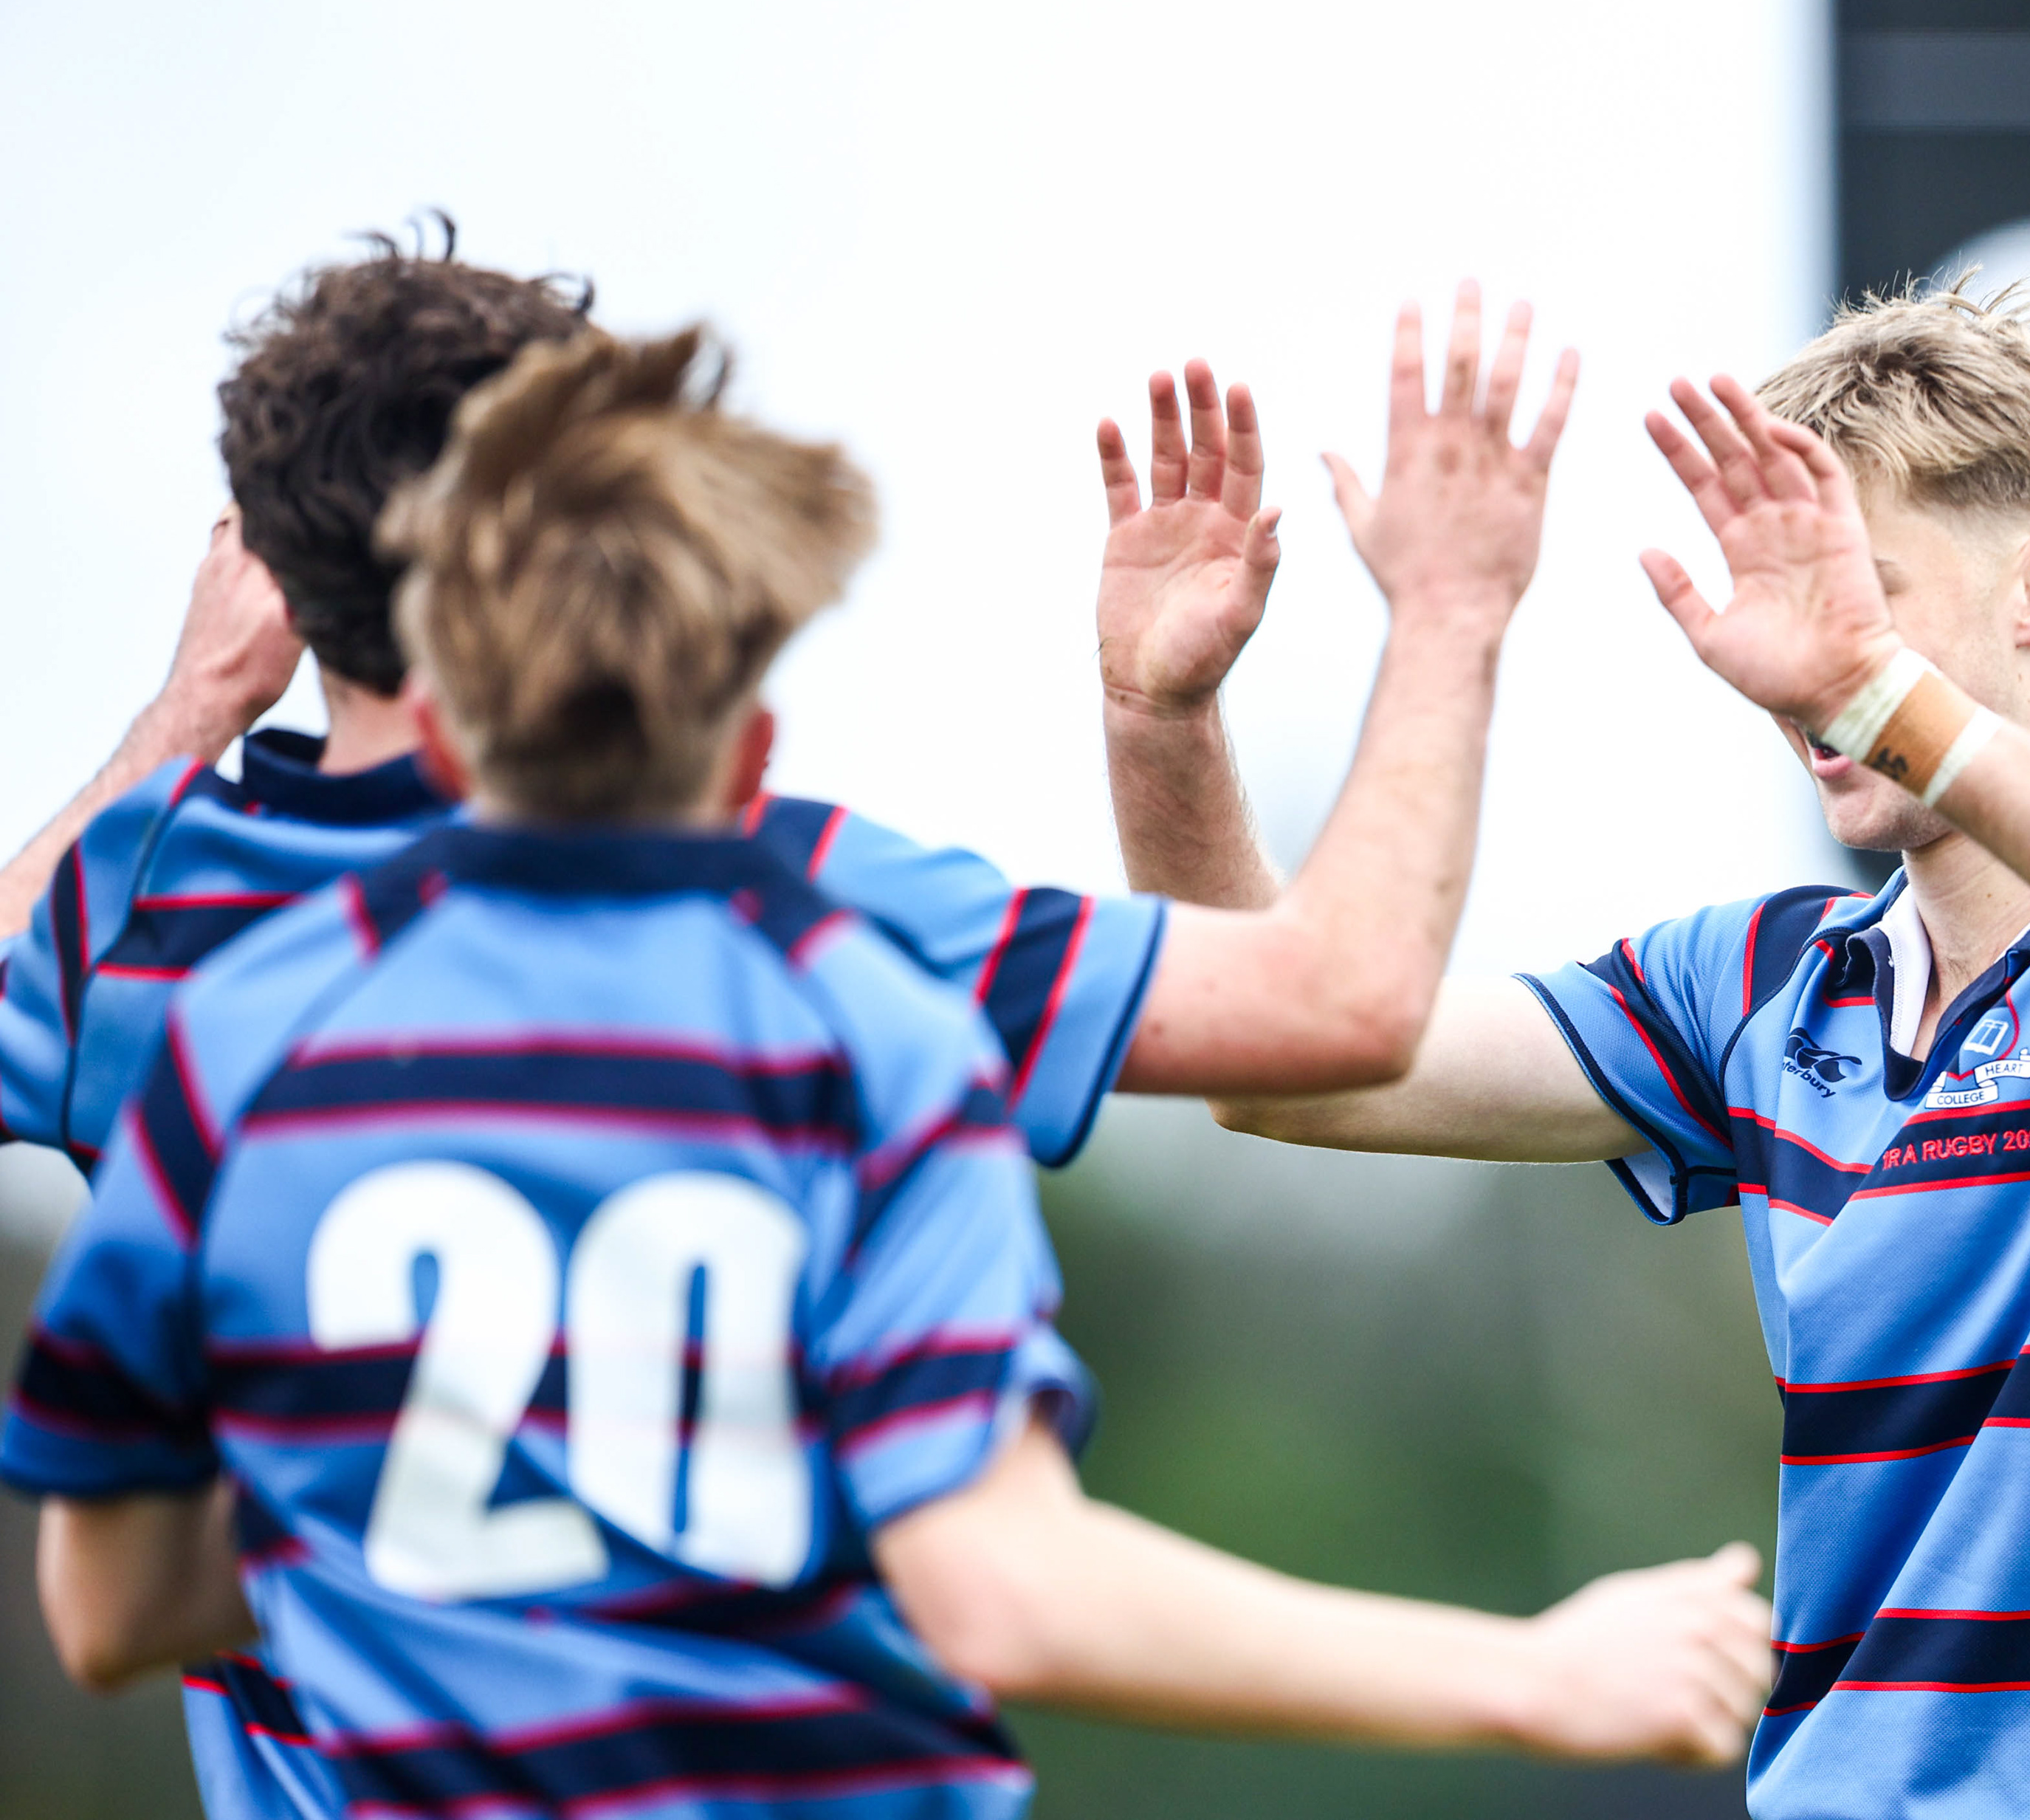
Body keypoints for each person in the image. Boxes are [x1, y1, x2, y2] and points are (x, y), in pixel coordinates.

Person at [0, 327, 1773, 1819]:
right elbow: (1006, 1581)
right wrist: (1533, 1669)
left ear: (450, 730)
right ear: (752, 752)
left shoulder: (228, 1030)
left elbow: (111, 1603)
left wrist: (449, 1475)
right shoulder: (857, 1011)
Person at [1103, 284, 2030, 1820]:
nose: (1793, 664)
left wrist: (1884, 699)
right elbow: (1277, 1065)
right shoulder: (1762, 984)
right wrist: (1161, 719)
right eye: (1779, 601)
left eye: (1857, 594)